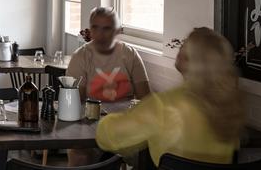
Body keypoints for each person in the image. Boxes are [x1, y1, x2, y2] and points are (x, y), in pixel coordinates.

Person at [96, 27, 244, 167]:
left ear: (189, 59)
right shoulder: (231, 109)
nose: (179, 48)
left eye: (184, 45)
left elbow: (108, 137)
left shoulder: (164, 105)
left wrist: (106, 118)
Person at [65, 7, 150, 166]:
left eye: (106, 28)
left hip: (125, 125)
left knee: (149, 155)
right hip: (90, 125)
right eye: (95, 27)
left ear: (117, 30)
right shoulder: (81, 56)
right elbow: (75, 102)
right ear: (90, 29)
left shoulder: (130, 54)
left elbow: (145, 98)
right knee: (80, 156)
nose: (100, 33)